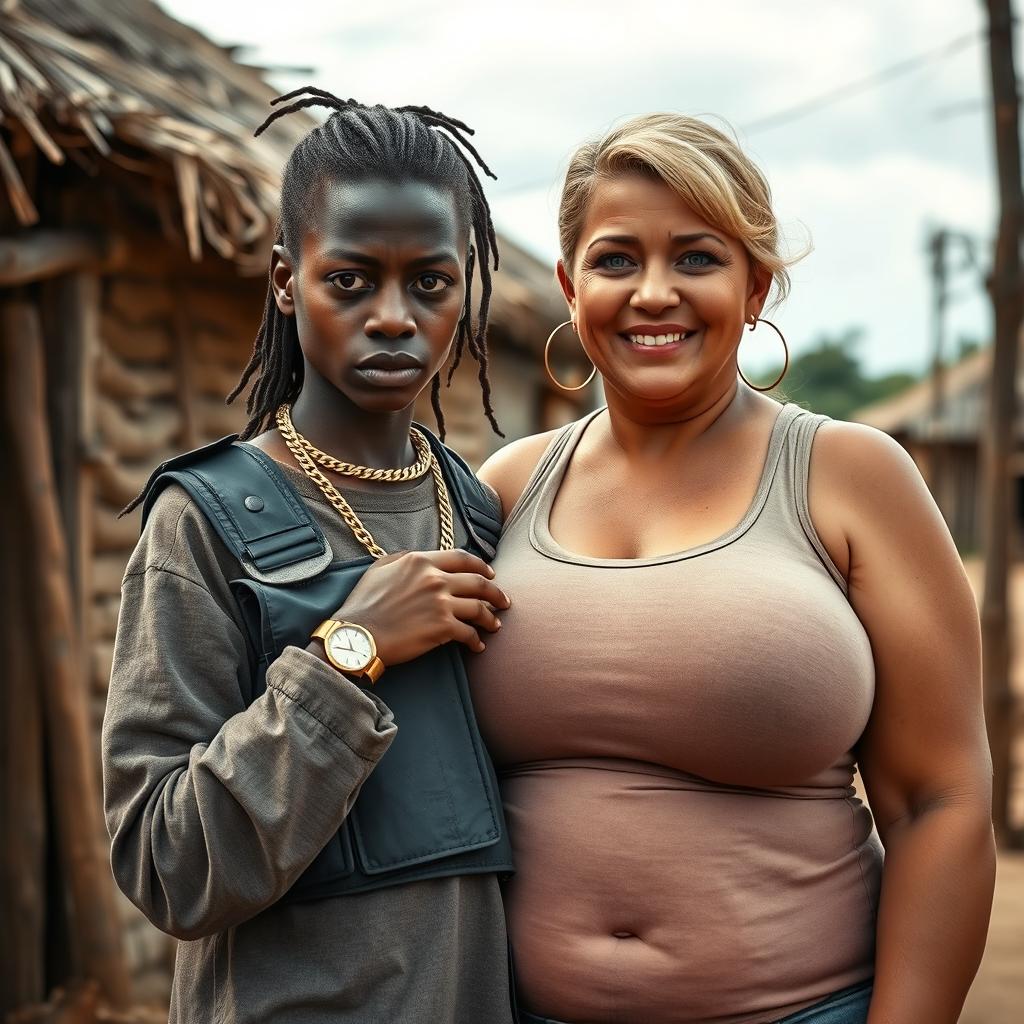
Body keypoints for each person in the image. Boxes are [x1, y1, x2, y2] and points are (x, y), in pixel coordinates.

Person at [472, 113, 995, 1024]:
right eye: (616, 259)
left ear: (756, 287)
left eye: (699, 259)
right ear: (568, 284)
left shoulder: (851, 477)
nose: (654, 293)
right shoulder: (507, 489)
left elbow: (939, 802)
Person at [102, 89, 517, 1024]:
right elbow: (166, 866)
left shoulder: (481, 514)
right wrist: (347, 655)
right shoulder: (205, 523)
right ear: (288, 281)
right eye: (351, 280)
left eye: (431, 283)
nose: (394, 317)